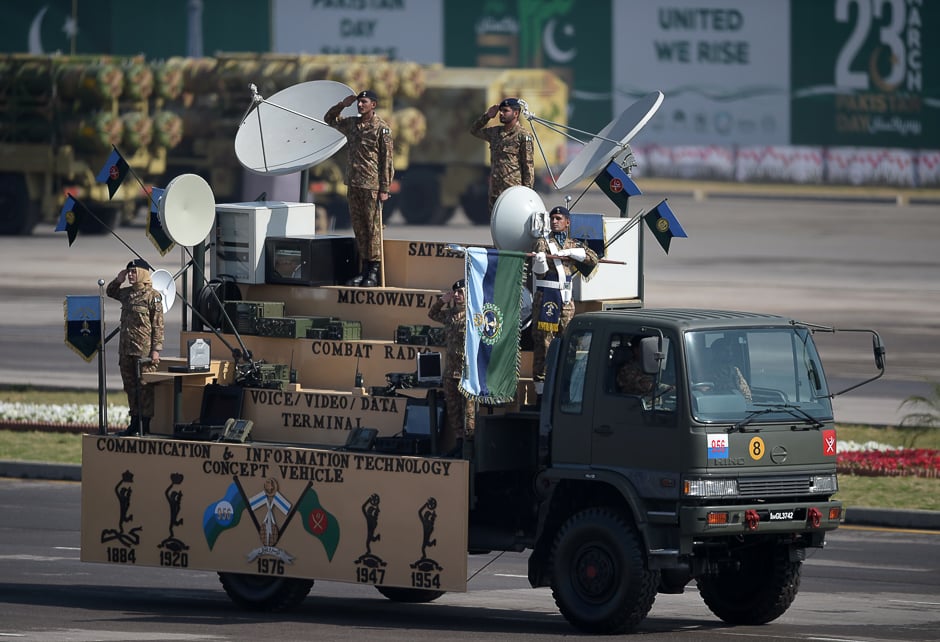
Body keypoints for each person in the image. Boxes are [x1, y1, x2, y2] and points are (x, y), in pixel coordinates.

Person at [325, 89, 394, 288]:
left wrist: (385, 188)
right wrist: (342, 104)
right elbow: (329, 119)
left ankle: (373, 271)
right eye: (359, 102)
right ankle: (363, 270)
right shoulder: (352, 124)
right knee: (359, 228)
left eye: (364, 102)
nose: (360, 105)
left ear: (374, 104)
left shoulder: (382, 129)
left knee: (373, 230)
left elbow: (387, 160)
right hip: (354, 184)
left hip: (371, 186)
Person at [531, 206, 598, 397]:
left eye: (558, 218)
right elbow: (538, 272)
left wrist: (577, 254)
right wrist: (540, 261)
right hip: (546, 298)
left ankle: (564, 382)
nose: (554, 221)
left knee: (568, 339)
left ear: (567, 222)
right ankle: (541, 388)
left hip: (566, 300)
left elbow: (593, 258)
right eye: (552, 218)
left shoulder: (572, 244)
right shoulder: (543, 243)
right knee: (543, 342)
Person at [107, 258, 164, 436]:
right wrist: (118, 280)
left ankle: (145, 424)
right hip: (126, 349)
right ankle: (134, 422)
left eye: (134, 272)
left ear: (143, 273)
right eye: (129, 271)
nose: (130, 275)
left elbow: (158, 325)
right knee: (130, 386)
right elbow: (110, 292)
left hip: (144, 351)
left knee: (144, 387)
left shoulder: (152, 296)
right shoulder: (127, 294)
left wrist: (156, 349)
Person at [427, 278, 474, 455]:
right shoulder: (450, 314)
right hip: (450, 372)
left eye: (460, 292)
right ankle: (460, 441)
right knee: (453, 409)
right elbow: (432, 314)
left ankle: (470, 443)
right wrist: (442, 301)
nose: (456, 295)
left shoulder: (473, 314)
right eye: (455, 292)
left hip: (466, 372)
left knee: (468, 411)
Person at [469, 97, 535, 216]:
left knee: (513, 221)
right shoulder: (495, 133)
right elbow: (474, 130)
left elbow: (528, 166)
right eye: (500, 110)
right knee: (496, 224)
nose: (501, 113)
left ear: (516, 113)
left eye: (505, 111)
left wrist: (527, 193)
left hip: (513, 191)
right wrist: (488, 116)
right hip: (495, 190)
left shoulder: (523, 136)